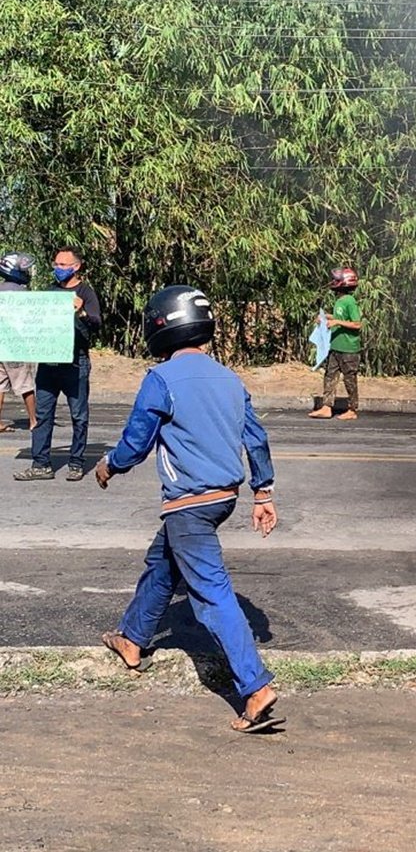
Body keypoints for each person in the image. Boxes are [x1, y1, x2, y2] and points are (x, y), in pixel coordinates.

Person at [94, 285, 283, 734]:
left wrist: (108, 466)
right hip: (222, 499)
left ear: (159, 327)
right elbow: (255, 439)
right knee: (162, 565)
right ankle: (132, 639)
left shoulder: (161, 380)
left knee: (210, 594)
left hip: (190, 503)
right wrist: (263, 494)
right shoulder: (230, 378)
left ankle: (254, 687)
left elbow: (136, 443)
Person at [13, 246, 101, 481]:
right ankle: (41, 463)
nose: (58, 269)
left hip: (75, 363)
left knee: (78, 416)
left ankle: (76, 462)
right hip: (49, 363)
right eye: (56, 264)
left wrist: (81, 311)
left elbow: (96, 323)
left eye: (63, 265)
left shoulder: (85, 293)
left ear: (76, 266)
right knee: (42, 415)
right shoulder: (49, 292)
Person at [308, 266, 362, 421]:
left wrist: (337, 321)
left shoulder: (350, 301)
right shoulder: (339, 300)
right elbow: (339, 316)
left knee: (349, 378)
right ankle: (326, 407)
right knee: (330, 376)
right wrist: (327, 317)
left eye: (337, 280)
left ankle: (352, 409)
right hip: (335, 346)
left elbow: (357, 324)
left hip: (349, 348)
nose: (334, 282)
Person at [0, 252, 38, 433]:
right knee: (25, 384)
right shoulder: (22, 292)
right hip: (16, 346)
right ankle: (33, 420)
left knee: (0, 386)